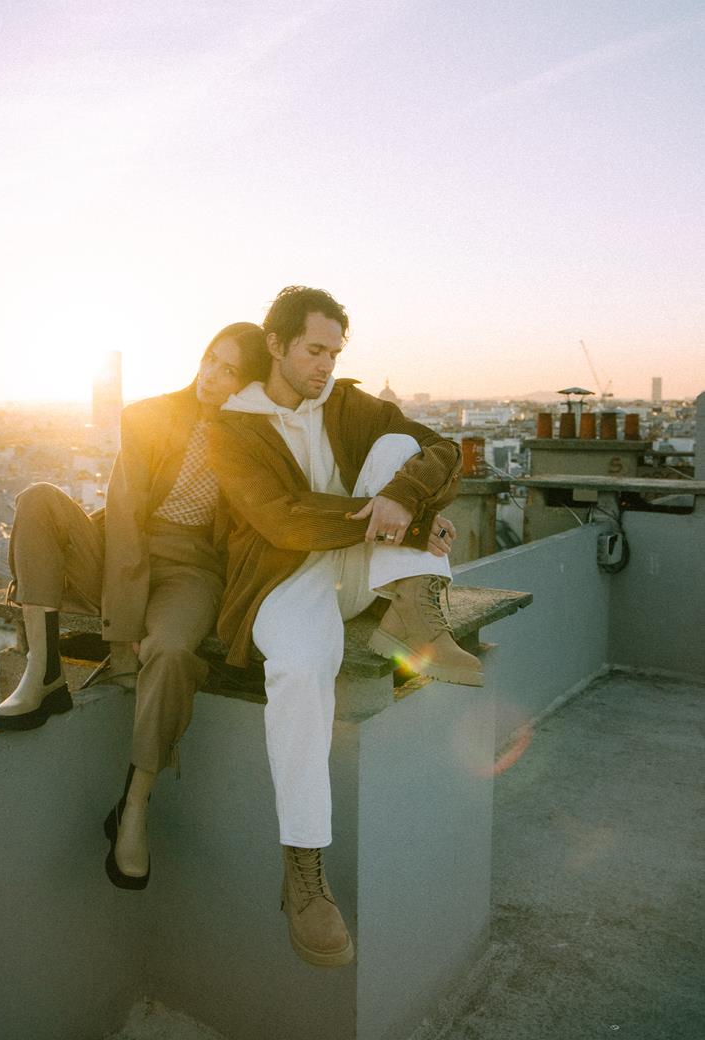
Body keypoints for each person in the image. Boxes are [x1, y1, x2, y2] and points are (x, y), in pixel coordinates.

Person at [208, 286, 479, 967]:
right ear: (276, 345)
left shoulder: (350, 404)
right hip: (283, 577)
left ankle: (413, 612)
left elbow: (444, 451)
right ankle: (303, 871)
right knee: (300, 671)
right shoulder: (233, 427)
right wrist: (405, 519)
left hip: (360, 565)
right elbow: (280, 518)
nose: (326, 365)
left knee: (398, 446)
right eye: (314, 350)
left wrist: (404, 498)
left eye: (335, 351)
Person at [0, 322, 269, 891]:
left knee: (172, 652)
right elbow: (123, 515)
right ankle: (43, 670)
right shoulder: (149, 415)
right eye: (210, 359)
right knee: (38, 499)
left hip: (192, 571)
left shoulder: (255, 440)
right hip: (124, 547)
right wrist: (123, 633)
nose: (211, 375)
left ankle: (135, 804)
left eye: (230, 371)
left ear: (249, 385)